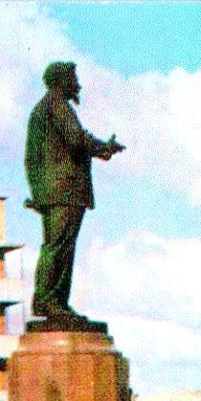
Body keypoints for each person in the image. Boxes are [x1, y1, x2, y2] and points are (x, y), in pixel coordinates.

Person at [24, 61, 123, 322]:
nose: (77, 84)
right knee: (59, 247)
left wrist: (39, 193)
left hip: (55, 192)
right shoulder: (56, 104)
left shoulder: (44, 108)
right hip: (64, 191)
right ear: (61, 81)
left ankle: (53, 301)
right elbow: (76, 138)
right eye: (73, 78)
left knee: (58, 246)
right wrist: (104, 148)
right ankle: (49, 301)